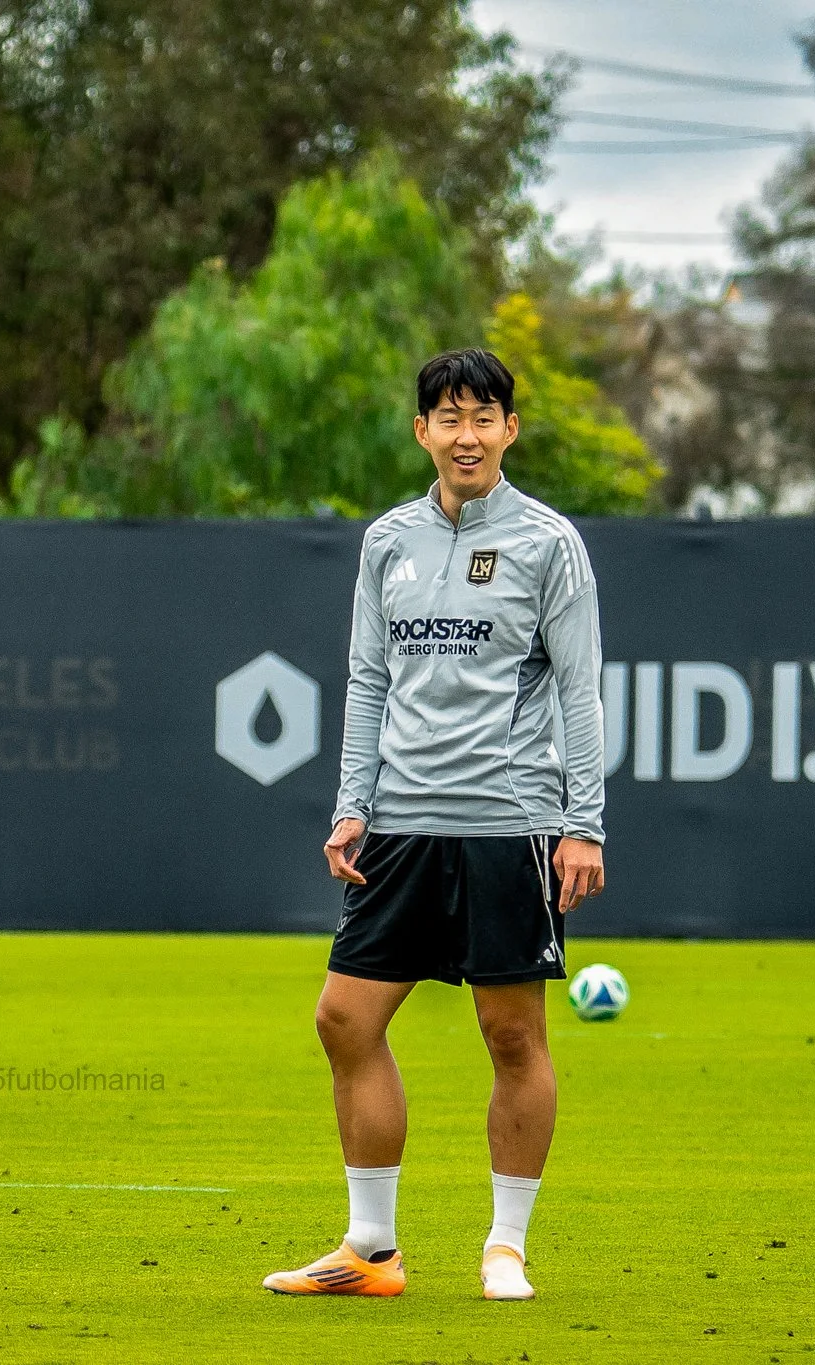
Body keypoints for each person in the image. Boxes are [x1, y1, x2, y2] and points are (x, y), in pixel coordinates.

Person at [261, 348, 607, 1302]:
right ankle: (371, 1250)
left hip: (510, 825)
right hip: (401, 828)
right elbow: (369, 679)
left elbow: (580, 688)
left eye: (484, 417)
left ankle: (506, 1247)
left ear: (510, 430)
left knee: (511, 1036)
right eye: (449, 417)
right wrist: (352, 804)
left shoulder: (549, 543)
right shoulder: (388, 541)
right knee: (343, 1018)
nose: (467, 435)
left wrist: (584, 823)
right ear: (422, 430)